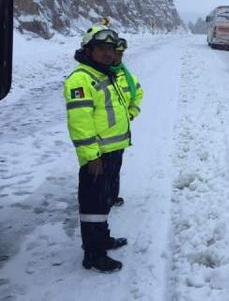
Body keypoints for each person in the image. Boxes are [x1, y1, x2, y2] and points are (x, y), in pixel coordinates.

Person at [63, 24, 130, 273]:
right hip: (97, 155)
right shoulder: (81, 79)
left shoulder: (105, 74)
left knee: (103, 203)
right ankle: (93, 255)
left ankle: (102, 239)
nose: (108, 53)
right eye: (101, 48)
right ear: (88, 50)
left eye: (111, 49)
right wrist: (91, 156)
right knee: (92, 206)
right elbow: (80, 124)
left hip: (112, 151)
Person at [109, 37, 144, 207]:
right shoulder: (99, 73)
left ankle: (112, 196)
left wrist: (132, 113)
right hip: (100, 137)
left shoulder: (126, 75)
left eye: (121, 54)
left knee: (115, 168)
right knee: (99, 172)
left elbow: (137, 95)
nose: (118, 58)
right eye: (116, 53)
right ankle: (98, 201)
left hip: (120, 135)